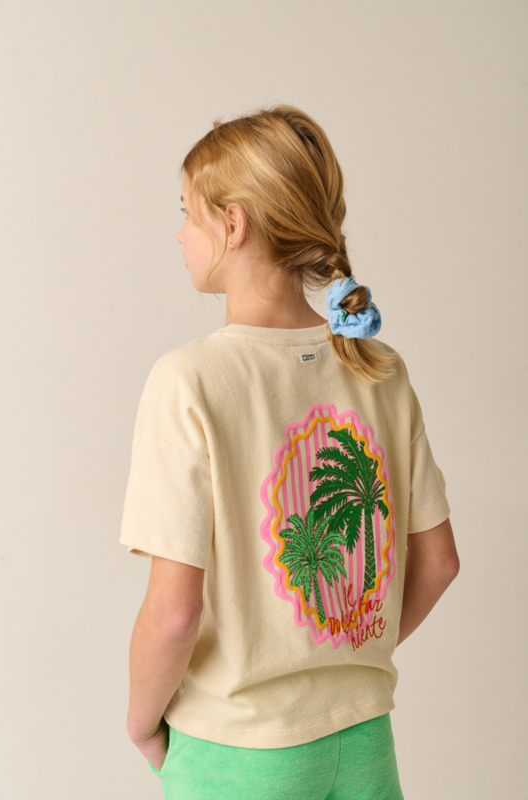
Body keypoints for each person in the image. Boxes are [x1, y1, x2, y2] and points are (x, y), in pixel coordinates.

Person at [119, 104, 460, 800]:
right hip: (364, 739)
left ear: (233, 222)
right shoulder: (380, 369)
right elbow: (439, 561)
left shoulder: (189, 379)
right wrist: (339, 658)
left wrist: (141, 723)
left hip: (237, 749)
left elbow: (173, 613)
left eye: (187, 213)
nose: (179, 233)